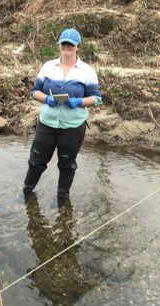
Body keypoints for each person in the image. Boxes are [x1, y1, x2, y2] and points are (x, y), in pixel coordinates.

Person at [22, 28, 102, 205]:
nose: (67, 47)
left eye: (71, 45)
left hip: (72, 127)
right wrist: (47, 99)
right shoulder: (48, 67)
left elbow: (96, 99)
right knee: (36, 162)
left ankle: (62, 198)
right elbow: (34, 92)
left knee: (66, 165)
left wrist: (79, 102)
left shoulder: (87, 71)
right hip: (47, 124)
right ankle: (27, 193)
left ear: (78, 47)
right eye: (64, 43)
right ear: (59, 45)